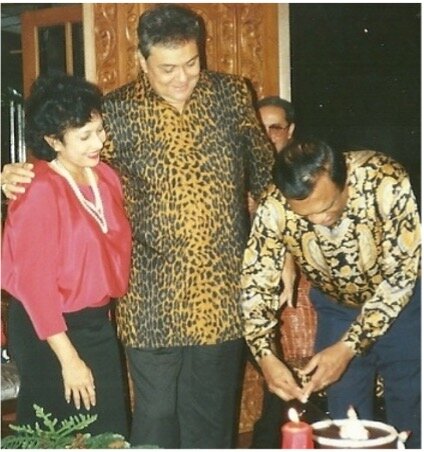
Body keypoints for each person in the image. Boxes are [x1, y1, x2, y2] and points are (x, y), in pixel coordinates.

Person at [1, 5, 275, 448]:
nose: (182, 78)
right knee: (154, 418)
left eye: (191, 63)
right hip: (149, 298)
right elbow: (62, 162)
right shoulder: (116, 112)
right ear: (141, 61)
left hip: (222, 293)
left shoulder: (231, 95)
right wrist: (14, 174)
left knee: (210, 418)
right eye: (167, 69)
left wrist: (276, 257)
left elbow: (268, 180)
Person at [241, 139, 421, 449]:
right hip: (337, 309)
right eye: (305, 215)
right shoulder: (274, 206)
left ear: (344, 179)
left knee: (411, 409)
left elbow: (401, 275)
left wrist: (349, 346)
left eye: (324, 209)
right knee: (343, 420)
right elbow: (255, 282)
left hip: (403, 307)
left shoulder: (385, 180)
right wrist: (265, 355)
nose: (317, 221)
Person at [1, 74, 132, 437]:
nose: (99, 142)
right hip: (48, 329)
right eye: (85, 136)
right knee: (54, 434)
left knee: (109, 431)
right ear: (52, 141)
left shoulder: (105, 176)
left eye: (100, 130)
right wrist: (69, 359)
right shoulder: (39, 189)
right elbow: (34, 285)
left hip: (95, 324)